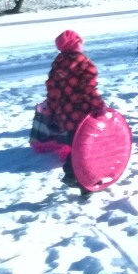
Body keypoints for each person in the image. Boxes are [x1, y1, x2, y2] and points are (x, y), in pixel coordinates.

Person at [44, 29, 106, 197]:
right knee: (86, 149)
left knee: (76, 145)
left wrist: (51, 112)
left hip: (65, 114)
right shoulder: (83, 63)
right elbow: (88, 89)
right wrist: (99, 105)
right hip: (82, 114)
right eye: (79, 42)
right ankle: (83, 182)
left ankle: (72, 173)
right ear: (75, 44)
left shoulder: (58, 63)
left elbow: (52, 90)